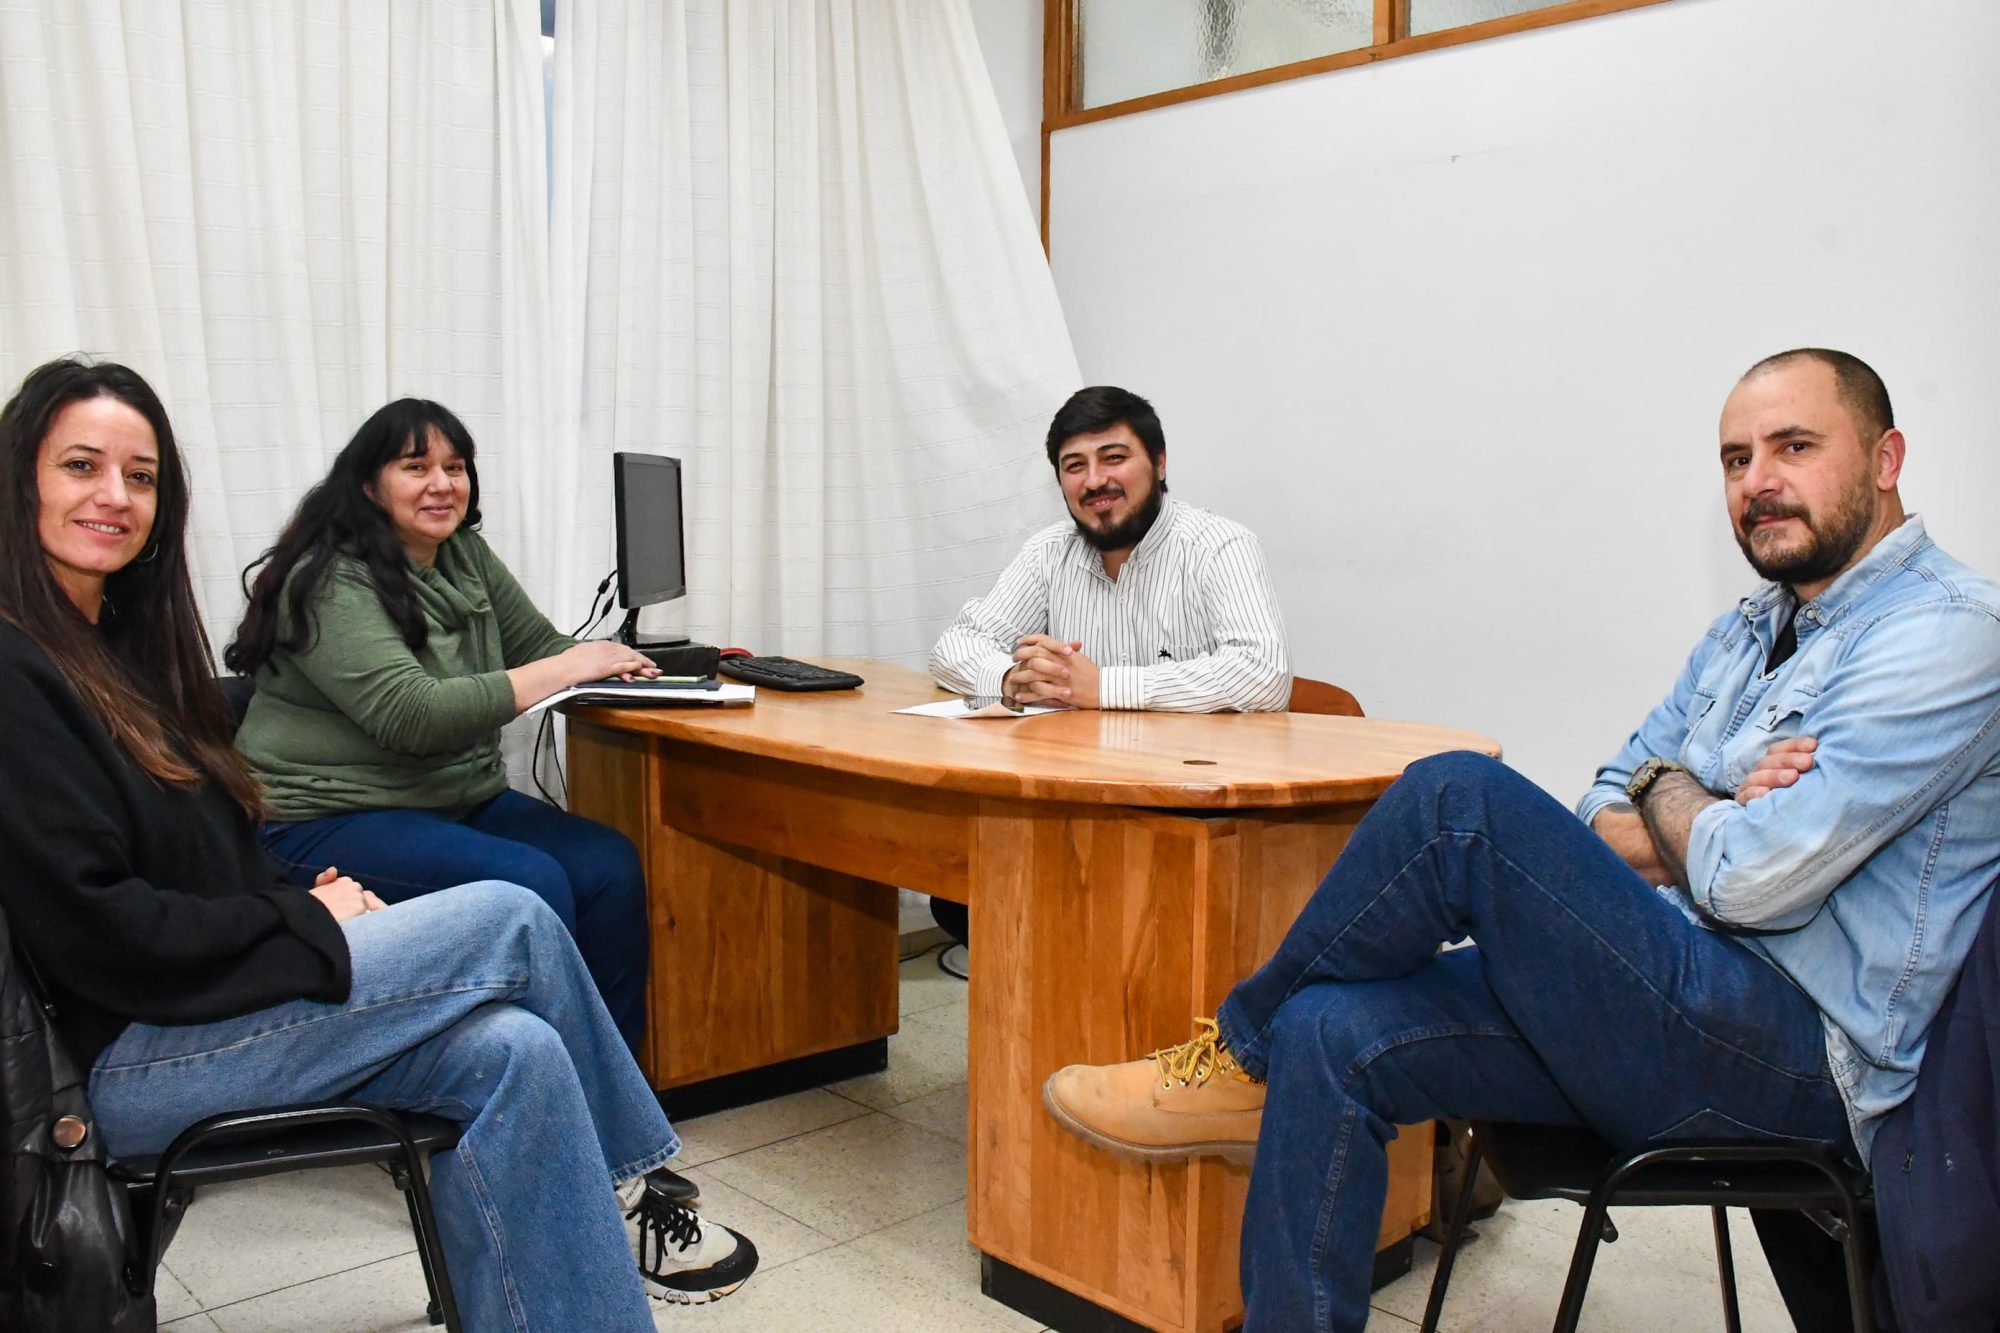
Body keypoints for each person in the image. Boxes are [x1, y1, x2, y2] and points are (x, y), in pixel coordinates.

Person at [1042, 349, 2000, 1332]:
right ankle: (1264, 1070)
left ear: (1883, 459)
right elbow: (1597, 798)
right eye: (1731, 458)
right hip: (1662, 987)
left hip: (1794, 1055)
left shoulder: (1946, 635)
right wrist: (1706, 803)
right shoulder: (1742, 631)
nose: (1754, 481)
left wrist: (1670, 785)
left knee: (1458, 796)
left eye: (1791, 446)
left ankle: (1234, 1060)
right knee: (1326, 1028)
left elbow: (1748, 877)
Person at [0, 356, 756, 1328]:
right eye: (81, 466)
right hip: (127, 1056)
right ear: (21, 476)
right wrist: (301, 917)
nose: (114, 496)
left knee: (518, 1049)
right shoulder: (21, 671)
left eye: (139, 476)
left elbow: (203, 856)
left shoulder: (123, 651)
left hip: (202, 999)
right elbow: (101, 930)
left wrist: (293, 899)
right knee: (513, 912)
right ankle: (641, 1181)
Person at [224, 399, 656, 1060]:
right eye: (415, 466)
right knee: (527, 881)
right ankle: (541, 1101)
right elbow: (413, 714)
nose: (442, 484)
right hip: (324, 816)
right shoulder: (327, 578)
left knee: (607, 866)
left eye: (455, 467)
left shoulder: (463, 555)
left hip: (447, 799)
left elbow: (541, 646)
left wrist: (632, 670)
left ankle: (611, 1104)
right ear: (369, 484)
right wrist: (571, 664)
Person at [925, 385, 1293, 951]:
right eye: (1075, 466)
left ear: (1160, 462)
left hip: (1191, 819)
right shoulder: (1050, 553)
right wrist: (1010, 678)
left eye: (1114, 457)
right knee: (962, 891)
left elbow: (1263, 671)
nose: (1094, 480)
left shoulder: (1219, 546)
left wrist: (1101, 687)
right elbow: (957, 644)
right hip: (1077, 807)